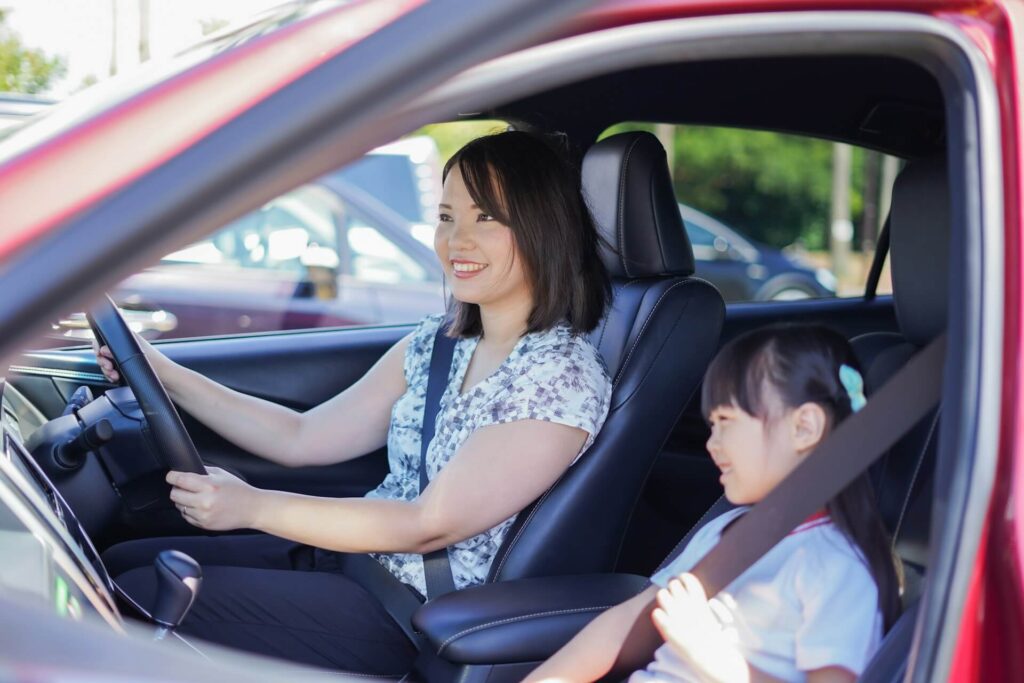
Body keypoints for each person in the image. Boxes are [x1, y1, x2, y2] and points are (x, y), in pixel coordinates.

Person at [98, 130, 612, 674]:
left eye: (486, 217)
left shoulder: (559, 375)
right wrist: (162, 373)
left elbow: (429, 524)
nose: (456, 240)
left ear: (542, 227)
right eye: (445, 217)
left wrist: (250, 506)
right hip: (355, 561)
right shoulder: (438, 343)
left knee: (136, 596)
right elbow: (302, 437)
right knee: (119, 565)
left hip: (414, 615)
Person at [527, 325, 901, 683]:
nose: (711, 443)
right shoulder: (729, 530)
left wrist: (711, 655)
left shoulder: (837, 567)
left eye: (726, 420)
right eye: (711, 424)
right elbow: (623, 626)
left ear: (804, 427)